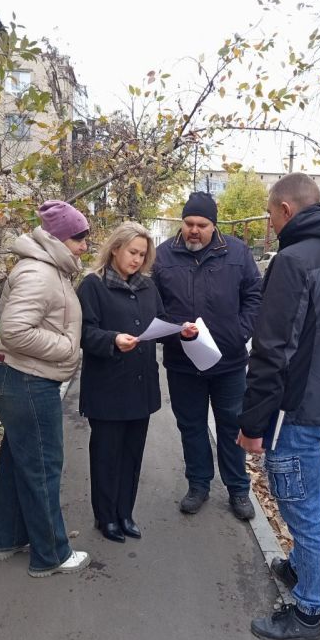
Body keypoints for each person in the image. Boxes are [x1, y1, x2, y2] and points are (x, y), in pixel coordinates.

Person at [237, 173, 320, 640]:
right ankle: (298, 568)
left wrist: (253, 424)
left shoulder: (293, 261)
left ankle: (309, 612)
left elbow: (271, 350)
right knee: (308, 496)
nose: (269, 222)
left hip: (299, 413)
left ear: (286, 211)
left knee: (301, 506)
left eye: (270, 213)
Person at [0, 200, 92, 578]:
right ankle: (51, 555)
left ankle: (9, 539)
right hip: (27, 381)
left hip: (17, 378)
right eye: (79, 239)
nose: (84, 246)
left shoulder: (49, 270)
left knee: (18, 462)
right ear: (60, 238)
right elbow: (14, 331)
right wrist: (67, 348)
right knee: (43, 467)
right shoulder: (40, 273)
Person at [77, 222, 196, 543]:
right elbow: (84, 333)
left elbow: (157, 322)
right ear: (115, 248)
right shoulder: (93, 286)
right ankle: (106, 519)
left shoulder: (147, 286)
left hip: (140, 388)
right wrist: (113, 339)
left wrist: (178, 329)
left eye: (142, 255)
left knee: (131, 456)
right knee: (106, 457)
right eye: (132, 252)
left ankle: (125, 513)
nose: (137, 260)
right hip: (107, 387)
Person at [152, 191, 262, 520]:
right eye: (189, 223)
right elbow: (151, 306)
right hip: (183, 362)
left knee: (231, 426)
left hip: (228, 362)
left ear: (214, 226)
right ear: (181, 224)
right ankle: (198, 485)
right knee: (191, 426)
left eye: (202, 224)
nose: (194, 230)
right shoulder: (162, 257)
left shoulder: (238, 254)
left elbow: (255, 295)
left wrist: (240, 332)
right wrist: (174, 329)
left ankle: (238, 490)